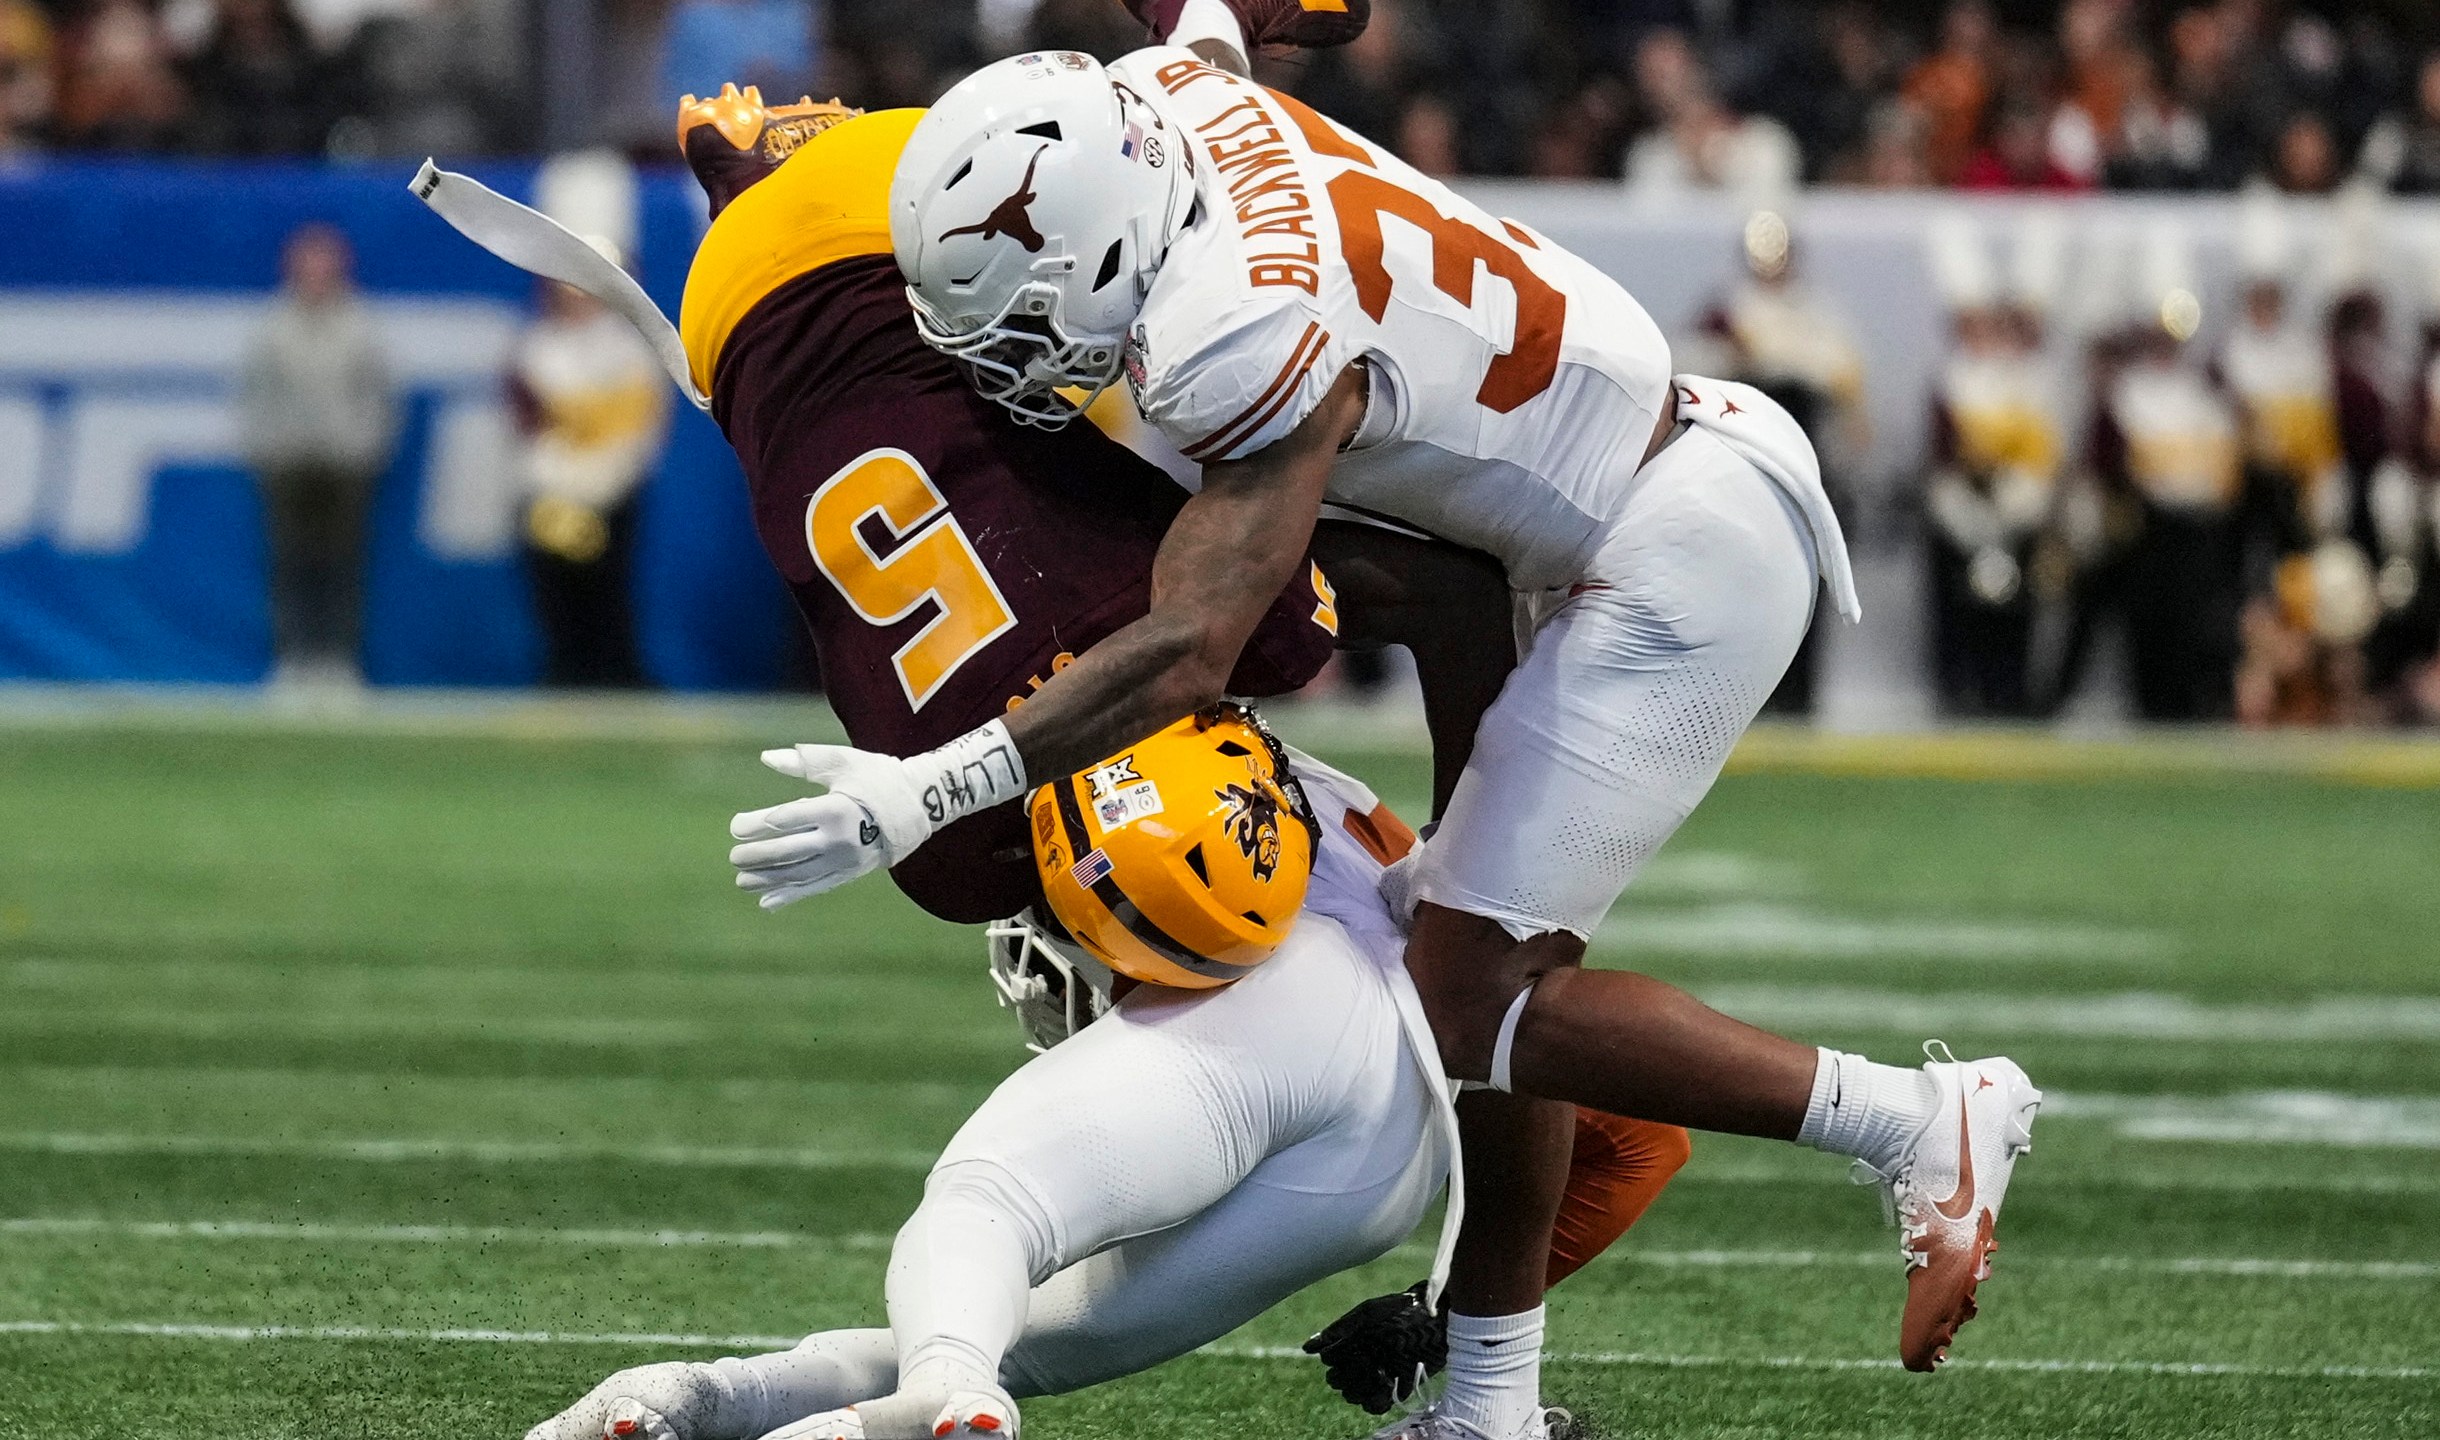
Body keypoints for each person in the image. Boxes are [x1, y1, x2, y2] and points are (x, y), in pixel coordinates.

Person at [734, 5, 2042, 1431]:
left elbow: (1184, 650)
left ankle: (1916, 1122)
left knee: (1476, 992)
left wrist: (929, 791)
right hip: (1600, 505)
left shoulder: (1232, 332)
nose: (1020, 365)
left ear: (1109, 251)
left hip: (1667, 547)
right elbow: (1208, 46)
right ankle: (1488, 1407)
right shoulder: (1157, 103)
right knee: (1475, 965)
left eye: (1029, 324)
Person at [423, 76, 1689, 1440]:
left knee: (982, 1224)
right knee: (1027, 1330)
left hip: (841, 280)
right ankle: (739, 1401)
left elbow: (1226, 621)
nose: (1051, 988)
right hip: (782, 327)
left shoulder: (1088, 799)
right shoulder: (1261, 841)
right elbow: (1621, 1116)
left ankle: (929, 1393)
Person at [238, 223, 395, 684]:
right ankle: (292, 660)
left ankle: (338, 662)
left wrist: (363, 448)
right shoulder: (273, 326)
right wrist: (266, 449)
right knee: (291, 565)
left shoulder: (361, 326)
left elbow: (377, 395)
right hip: (287, 463)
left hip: (345, 465)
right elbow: (256, 395)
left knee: (342, 566)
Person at [509, 267, 669, 687]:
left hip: (613, 495)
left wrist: (610, 483)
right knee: (557, 594)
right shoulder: (534, 350)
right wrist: (558, 487)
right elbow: (529, 434)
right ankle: (564, 672)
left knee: (609, 592)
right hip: (554, 495)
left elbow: (641, 429)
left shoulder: (630, 350)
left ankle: (616, 674)